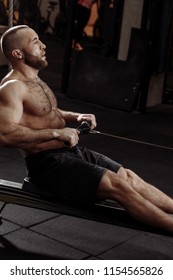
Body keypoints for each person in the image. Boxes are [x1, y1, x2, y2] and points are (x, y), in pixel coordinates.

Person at [1, 25, 173, 234]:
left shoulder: (34, 79)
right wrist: (56, 133)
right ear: (17, 53)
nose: (44, 45)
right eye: (35, 42)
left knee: (128, 177)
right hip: (47, 165)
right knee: (117, 185)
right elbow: (5, 134)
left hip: (69, 153)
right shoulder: (12, 87)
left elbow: (48, 112)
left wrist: (76, 116)